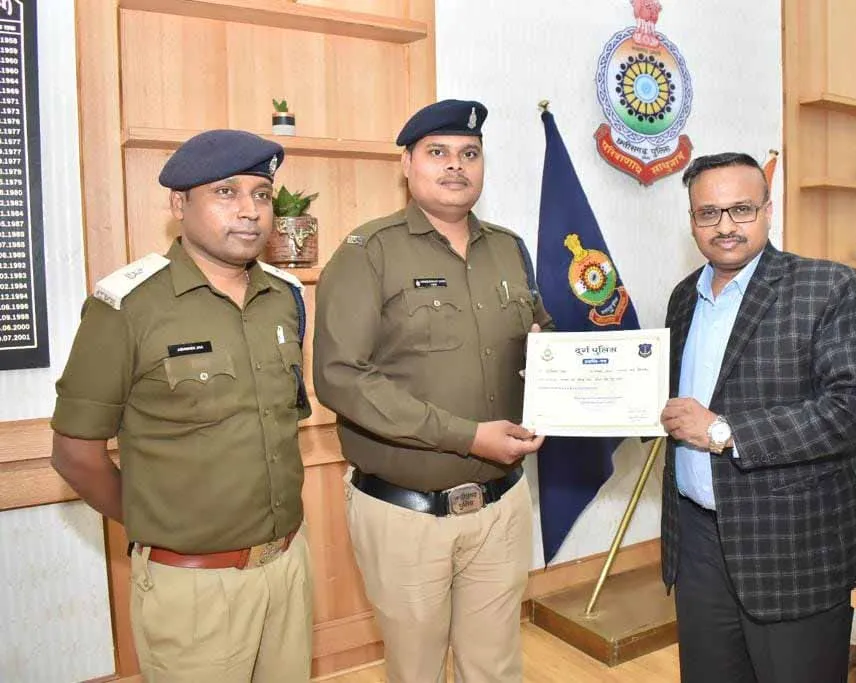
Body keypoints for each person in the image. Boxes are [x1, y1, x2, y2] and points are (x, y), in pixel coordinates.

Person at [50, 130, 313, 683]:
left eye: (261, 194)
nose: (250, 211)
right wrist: (159, 524)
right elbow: (75, 454)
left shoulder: (284, 299)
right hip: (192, 586)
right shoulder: (128, 307)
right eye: (226, 192)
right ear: (179, 204)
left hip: (288, 566)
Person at [313, 99, 551, 683]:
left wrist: (566, 384)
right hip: (407, 515)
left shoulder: (509, 249)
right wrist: (467, 437)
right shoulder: (368, 252)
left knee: (495, 667)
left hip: (502, 505)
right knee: (416, 671)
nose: (455, 166)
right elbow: (340, 377)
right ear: (407, 164)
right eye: (438, 152)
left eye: (470, 154)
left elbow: (541, 341)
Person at [659, 152, 856, 683]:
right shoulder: (683, 299)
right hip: (697, 543)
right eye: (708, 213)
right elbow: (678, 407)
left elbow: (854, 408)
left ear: (767, 210)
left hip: (793, 549)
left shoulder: (828, 287)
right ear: (692, 221)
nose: (725, 226)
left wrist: (724, 432)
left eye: (741, 209)